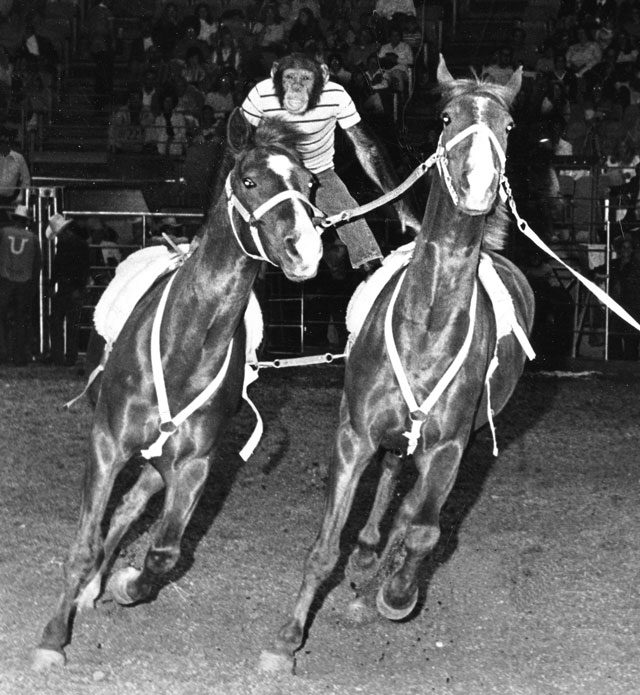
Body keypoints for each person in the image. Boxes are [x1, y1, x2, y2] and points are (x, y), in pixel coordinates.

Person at [239, 53, 420, 269]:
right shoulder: (261, 94)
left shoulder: (335, 95)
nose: (296, 87)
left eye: (305, 79)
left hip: (318, 172)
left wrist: (400, 205)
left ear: (323, 76)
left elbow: (367, 149)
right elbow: (238, 145)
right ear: (274, 74)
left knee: (354, 224)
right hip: (276, 176)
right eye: (289, 78)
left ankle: (372, 270)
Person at [46, 213, 90, 367]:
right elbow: (84, 268)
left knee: (57, 322)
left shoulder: (65, 245)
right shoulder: (81, 245)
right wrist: (80, 287)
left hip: (67, 287)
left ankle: (58, 355)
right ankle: (70, 357)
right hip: (74, 288)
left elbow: (57, 266)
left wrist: (52, 284)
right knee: (72, 324)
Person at [0, 204, 40, 365]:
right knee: (21, 319)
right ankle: (19, 356)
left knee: (1, 316)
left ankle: (2, 353)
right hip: (24, 282)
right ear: (26, 221)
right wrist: (33, 285)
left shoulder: (3, 233)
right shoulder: (33, 238)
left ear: (14, 219)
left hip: (5, 280)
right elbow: (37, 264)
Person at [0, 127, 30, 214]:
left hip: (11, 198)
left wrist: (21, 198)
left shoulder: (19, 158)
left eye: (5, 141)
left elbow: (26, 180)